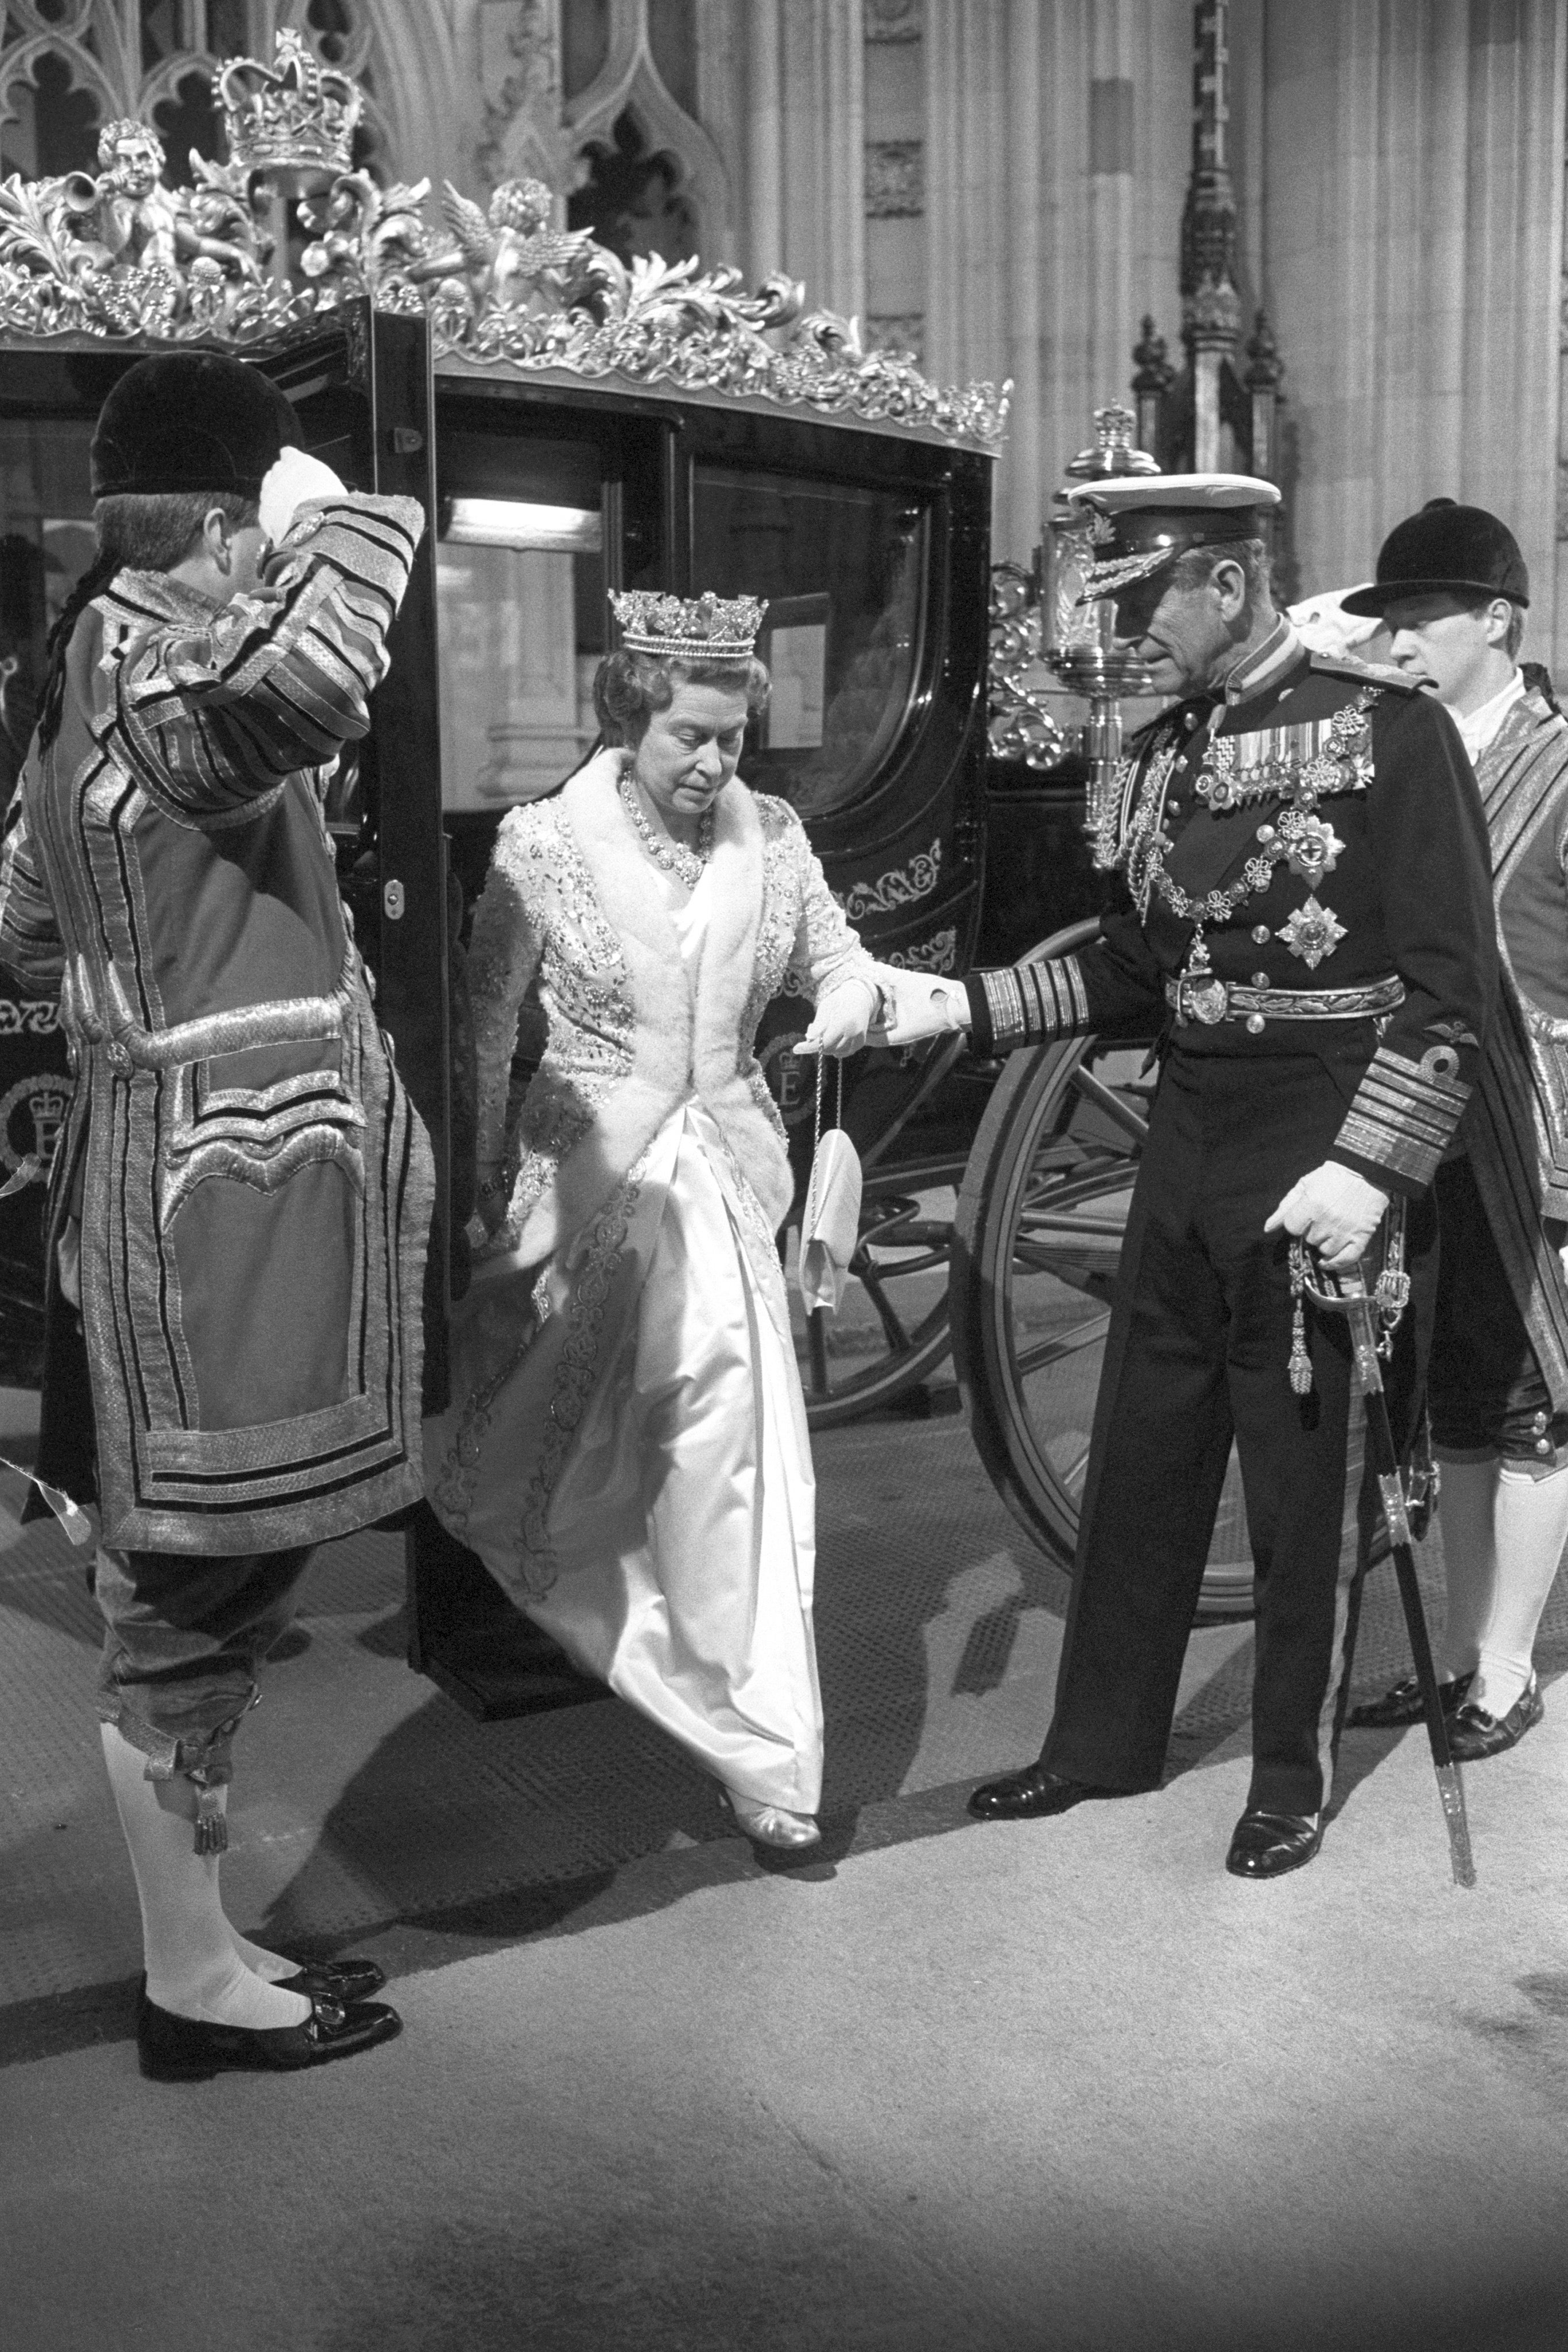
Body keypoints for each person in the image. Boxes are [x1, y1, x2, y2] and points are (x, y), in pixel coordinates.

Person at [879, 474, 1497, 1878]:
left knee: (1298, 1473)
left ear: (1226, 582)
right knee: (1147, 1450)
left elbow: (1452, 992)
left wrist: (1370, 1164)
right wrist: (964, 1010)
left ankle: (1290, 1771)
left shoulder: (1387, 736)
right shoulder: (1155, 757)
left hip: (1319, 1135)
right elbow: (1132, 972)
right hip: (1189, 1131)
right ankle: (1098, 1742)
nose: (1126, 635)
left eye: (1142, 600)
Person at [0, 353, 432, 2076]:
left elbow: (26, 923)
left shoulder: (78, 675)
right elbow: (325, 668)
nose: (270, 561)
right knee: (184, 1593)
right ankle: (186, 1986)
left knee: (199, 1588)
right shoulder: (166, 667)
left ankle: (198, 1949)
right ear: (210, 525)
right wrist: (353, 507)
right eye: (257, 528)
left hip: (149, 1168)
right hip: (214, 1199)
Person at [425, 590, 878, 1851]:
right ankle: (629, 1638)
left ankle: (759, 1742)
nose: (716, 762)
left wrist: (843, 996)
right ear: (629, 718)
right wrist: (468, 1201)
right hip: (581, 1186)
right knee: (560, 1453)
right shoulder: (541, 844)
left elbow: (835, 954)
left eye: (733, 736)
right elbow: (480, 1033)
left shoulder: (774, 838)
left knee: (734, 1456)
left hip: (727, 1191)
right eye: (690, 735)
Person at [1344, 504, 1568, 1760]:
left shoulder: (1558, 765)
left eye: (1421, 620)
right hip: (1411, 1130)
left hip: (1533, 1133)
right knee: (1451, 1411)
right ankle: (1465, 1653)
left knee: (1534, 1398)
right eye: (1390, 625)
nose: (1400, 644)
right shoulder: (1390, 755)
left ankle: (1504, 1667)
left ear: (1496, 618)